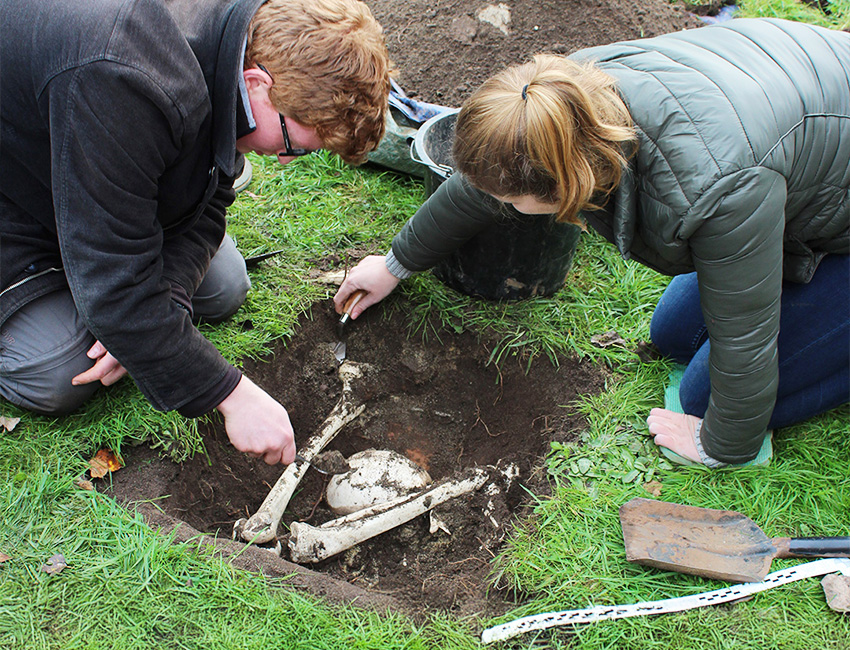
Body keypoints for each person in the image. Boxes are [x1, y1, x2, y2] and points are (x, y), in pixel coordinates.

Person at [333, 18, 850, 468]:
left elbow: (745, 332)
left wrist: (725, 443)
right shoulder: (567, 101)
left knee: (703, 398)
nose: (497, 204)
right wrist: (395, 264)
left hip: (782, 168)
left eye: (509, 198)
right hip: (796, 140)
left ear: (565, 186)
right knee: (674, 333)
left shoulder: (718, 189)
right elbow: (476, 187)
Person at [0, 0, 391, 465]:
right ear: (256, 84)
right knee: (59, 370)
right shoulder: (123, 77)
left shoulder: (232, 45)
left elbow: (211, 197)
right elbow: (115, 284)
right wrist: (231, 393)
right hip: (17, 194)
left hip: (86, 172)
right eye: (294, 146)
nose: (286, 160)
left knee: (223, 285)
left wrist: (157, 309)